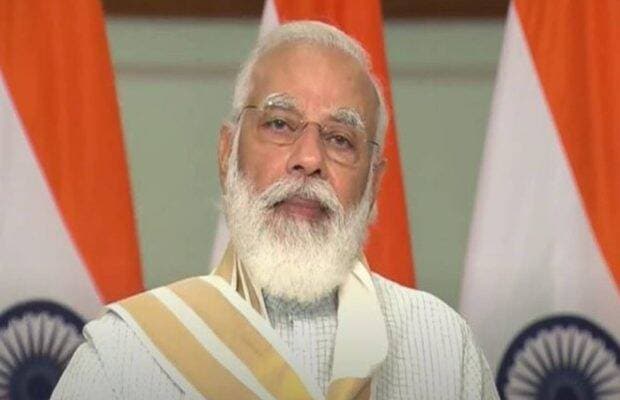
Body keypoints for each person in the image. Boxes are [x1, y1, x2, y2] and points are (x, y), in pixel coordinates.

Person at [52, 21, 498, 399]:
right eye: (280, 124)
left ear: (375, 182)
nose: (309, 158)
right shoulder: (124, 357)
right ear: (226, 154)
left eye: (340, 139)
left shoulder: (444, 348)